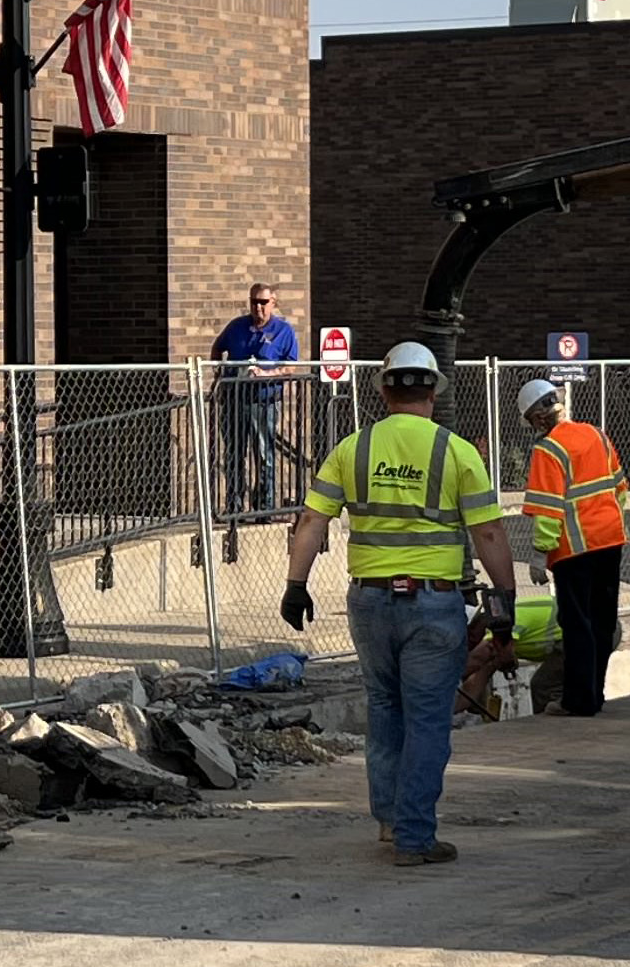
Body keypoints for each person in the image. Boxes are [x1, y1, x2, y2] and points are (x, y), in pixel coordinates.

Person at [283, 341, 518, 867]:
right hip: (432, 606)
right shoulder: (457, 452)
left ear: (385, 390)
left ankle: (390, 820)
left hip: (369, 604)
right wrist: (504, 599)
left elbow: (312, 522)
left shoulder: (352, 449)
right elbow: (490, 533)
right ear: (434, 390)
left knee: (385, 709)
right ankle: (415, 836)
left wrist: (296, 583)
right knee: (429, 719)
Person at [514, 378, 630, 715]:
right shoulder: (596, 434)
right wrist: (610, 524)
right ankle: (595, 693)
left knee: (576, 624)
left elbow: (549, 511)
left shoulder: (548, 450)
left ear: (537, 418)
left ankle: (579, 701)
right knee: (602, 621)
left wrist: (539, 555)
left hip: (574, 552)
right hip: (611, 541)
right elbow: (619, 487)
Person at [208, 283, 304, 513]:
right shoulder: (237, 327)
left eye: (263, 302)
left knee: (263, 454)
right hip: (234, 400)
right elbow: (217, 348)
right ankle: (235, 506)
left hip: (264, 401)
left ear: (273, 302)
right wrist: (220, 371)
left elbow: (291, 367)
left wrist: (267, 373)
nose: (258, 307)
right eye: (254, 302)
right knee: (234, 453)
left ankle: (264, 507)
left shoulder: (283, 330)